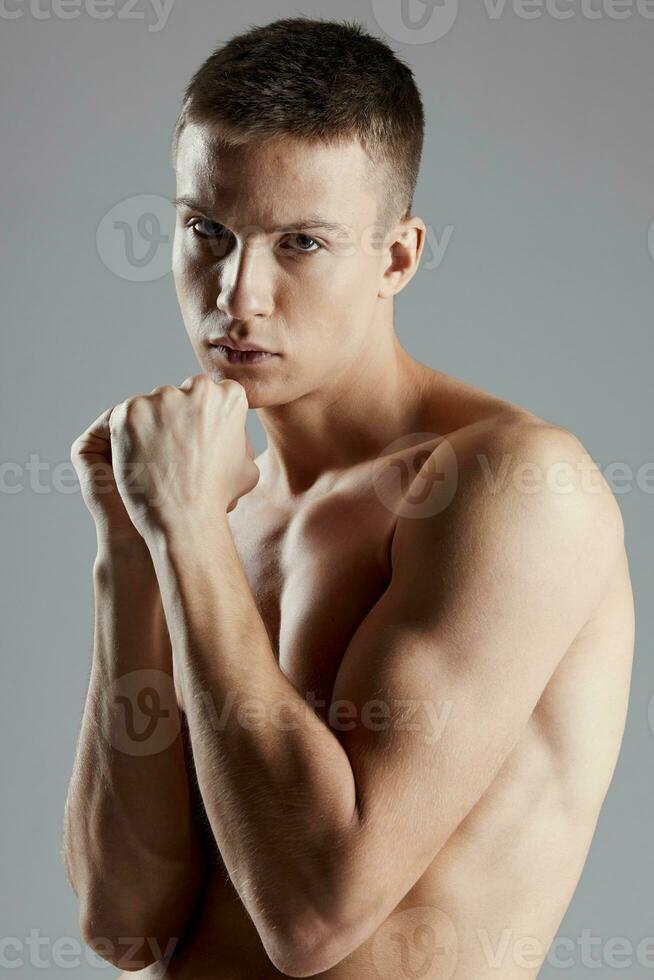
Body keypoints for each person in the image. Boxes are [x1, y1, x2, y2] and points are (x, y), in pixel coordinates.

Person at [62, 16, 635, 979]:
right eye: (208, 230)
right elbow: (124, 924)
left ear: (398, 258)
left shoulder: (510, 485)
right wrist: (131, 544)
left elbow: (316, 917)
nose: (237, 295)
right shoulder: (205, 503)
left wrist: (187, 537)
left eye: (301, 243)